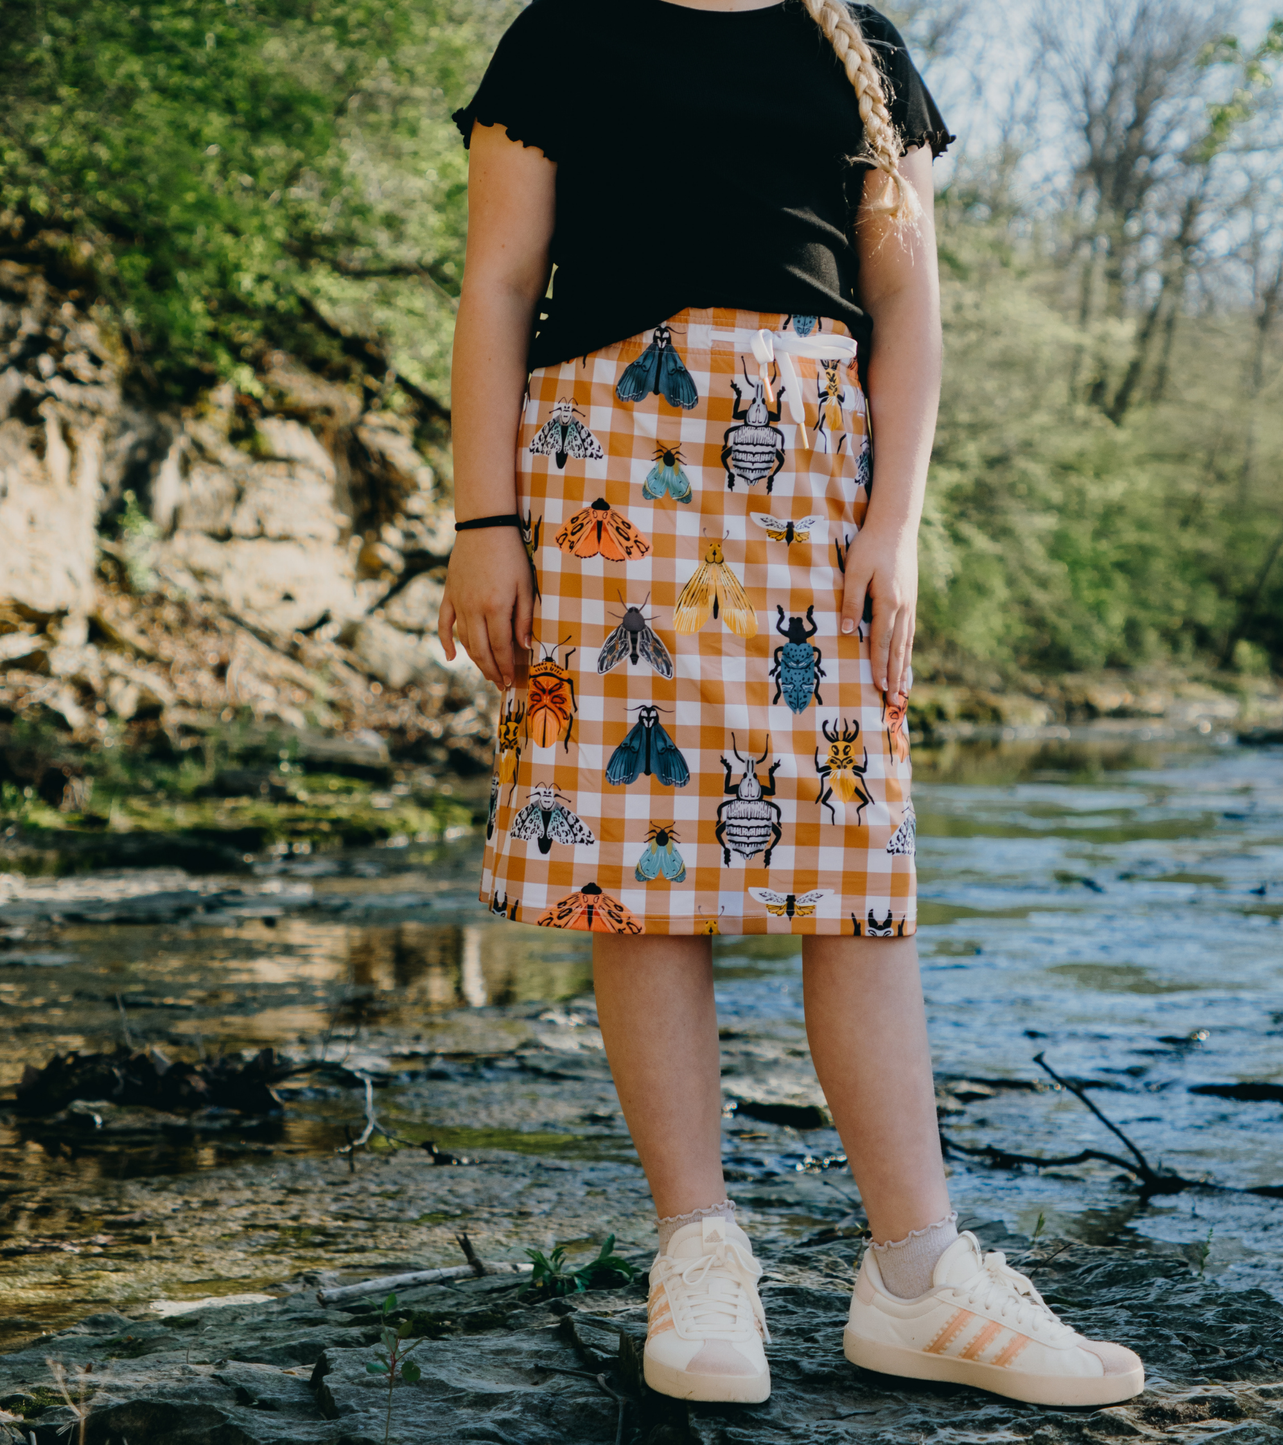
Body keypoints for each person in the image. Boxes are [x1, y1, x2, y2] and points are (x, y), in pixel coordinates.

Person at [439, 0, 1144, 1411]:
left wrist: (898, 523)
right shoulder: (564, 36)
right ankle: (700, 1255)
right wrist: (481, 522)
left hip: (819, 488)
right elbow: (502, 284)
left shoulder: (863, 49)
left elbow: (911, 304)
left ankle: (916, 1276)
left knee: (853, 871)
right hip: (600, 475)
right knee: (640, 882)